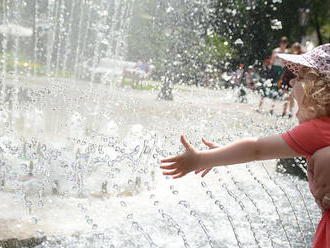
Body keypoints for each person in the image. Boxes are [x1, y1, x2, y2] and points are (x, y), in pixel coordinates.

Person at [160, 43, 330, 247]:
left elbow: (256, 149)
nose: (292, 80)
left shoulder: (318, 130)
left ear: (320, 89)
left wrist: (200, 159)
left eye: (301, 77)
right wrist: (222, 153)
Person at [258, 37, 289, 114]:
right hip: (274, 71)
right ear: (280, 43)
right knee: (266, 87)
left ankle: (272, 109)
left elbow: (287, 64)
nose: (283, 44)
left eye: (285, 43)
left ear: (286, 44)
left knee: (278, 89)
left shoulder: (287, 52)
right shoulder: (276, 51)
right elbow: (271, 62)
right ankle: (259, 106)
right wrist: (275, 58)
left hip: (281, 71)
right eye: (282, 42)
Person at [280, 42, 304, 117]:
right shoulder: (290, 55)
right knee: (285, 95)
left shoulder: (301, 57)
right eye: (294, 47)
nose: (294, 49)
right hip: (287, 76)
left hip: (294, 77)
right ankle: (284, 111)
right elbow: (285, 66)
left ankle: (290, 112)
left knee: (291, 96)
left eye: (296, 48)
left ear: (298, 49)